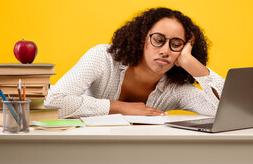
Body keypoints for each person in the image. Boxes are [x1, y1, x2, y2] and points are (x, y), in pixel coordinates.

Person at [45, 7, 225, 118]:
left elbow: (225, 111)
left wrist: (191, 63)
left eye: (176, 45)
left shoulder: (174, 90)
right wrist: (120, 107)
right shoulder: (102, 58)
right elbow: (54, 102)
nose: (165, 50)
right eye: (158, 39)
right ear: (141, 39)